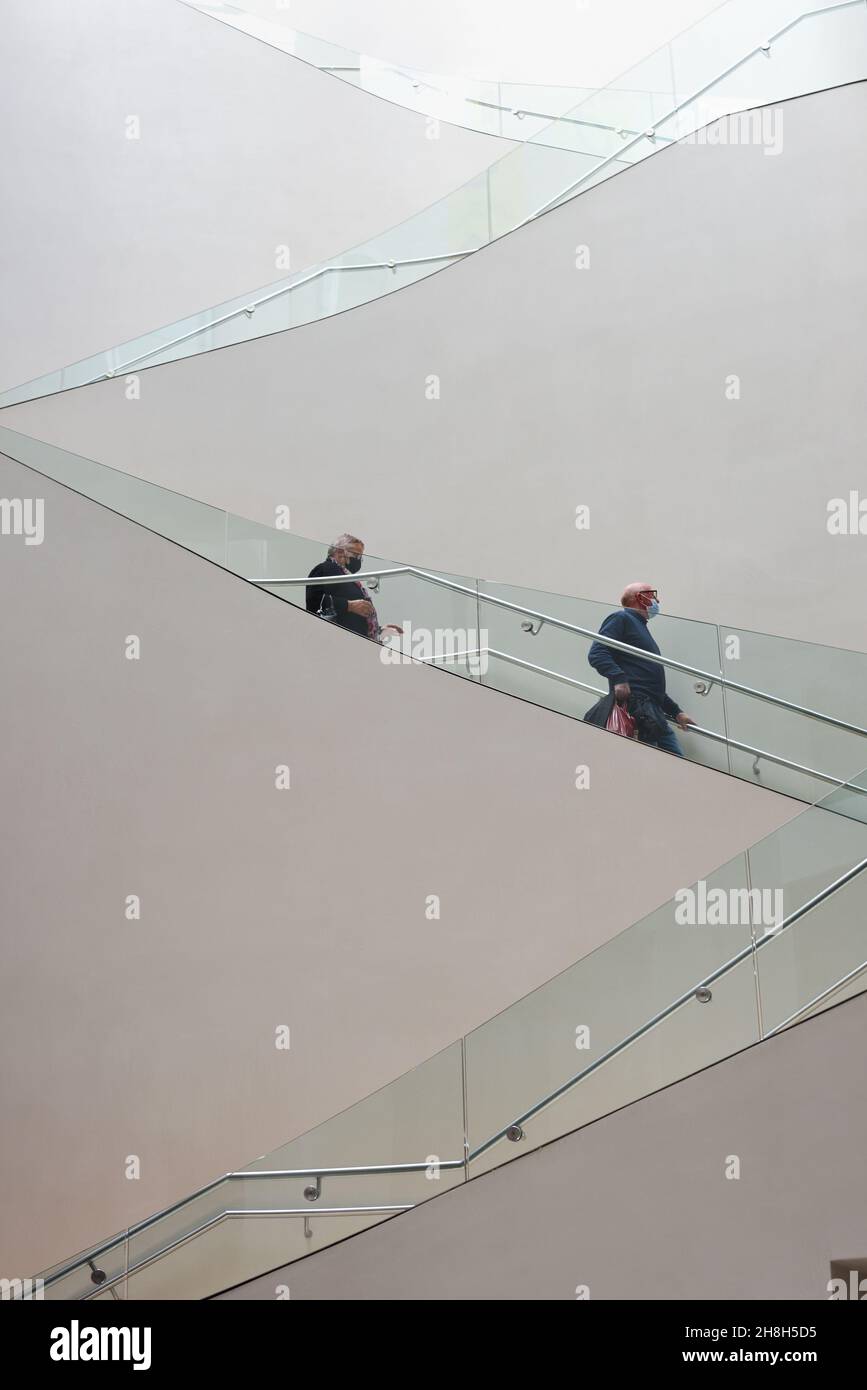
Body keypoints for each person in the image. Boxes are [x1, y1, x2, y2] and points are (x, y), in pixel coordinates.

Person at [587, 583, 695, 756]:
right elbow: (597, 652)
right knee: (653, 765)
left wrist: (677, 713)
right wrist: (619, 679)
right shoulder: (621, 619)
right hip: (637, 710)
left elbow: (649, 684)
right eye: (652, 595)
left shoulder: (640, 627)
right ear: (639, 597)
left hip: (653, 711)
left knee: (676, 767)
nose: (657, 600)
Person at [306, 534, 401, 642]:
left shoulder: (348, 577)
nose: (359, 560)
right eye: (356, 555)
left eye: (361, 557)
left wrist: (379, 630)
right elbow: (313, 602)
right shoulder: (325, 568)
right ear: (339, 551)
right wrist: (349, 605)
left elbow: (350, 618)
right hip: (337, 642)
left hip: (355, 643)